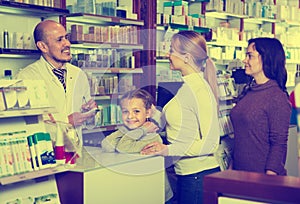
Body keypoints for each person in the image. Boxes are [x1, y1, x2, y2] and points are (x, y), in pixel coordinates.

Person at [141, 30, 221, 204]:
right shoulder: (186, 88)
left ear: (186, 57)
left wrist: (167, 150)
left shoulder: (200, 90)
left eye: (171, 50)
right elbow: (181, 121)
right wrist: (148, 113)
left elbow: (211, 143)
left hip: (198, 177)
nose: (167, 54)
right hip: (188, 175)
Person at [15, 20, 98, 161]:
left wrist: (90, 113)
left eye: (66, 37)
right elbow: (27, 125)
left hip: (76, 155)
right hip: (46, 156)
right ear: (43, 46)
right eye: (60, 40)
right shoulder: (27, 77)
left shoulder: (78, 74)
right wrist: (67, 121)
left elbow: (87, 122)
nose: (67, 44)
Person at [230, 37, 292, 175]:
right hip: (240, 173)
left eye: (250, 56)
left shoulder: (276, 97)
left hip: (261, 177)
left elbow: (279, 143)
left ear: (266, 59)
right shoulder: (249, 91)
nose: (245, 60)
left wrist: (269, 178)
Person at [101, 88, 173, 202]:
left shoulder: (153, 137)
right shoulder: (128, 131)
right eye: (125, 111)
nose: (130, 116)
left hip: (157, 194)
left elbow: (123, 147)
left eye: (136, 111)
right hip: (138, 189)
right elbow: (106, 144)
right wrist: (130, 131)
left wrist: (142, 130)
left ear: (148, 113)